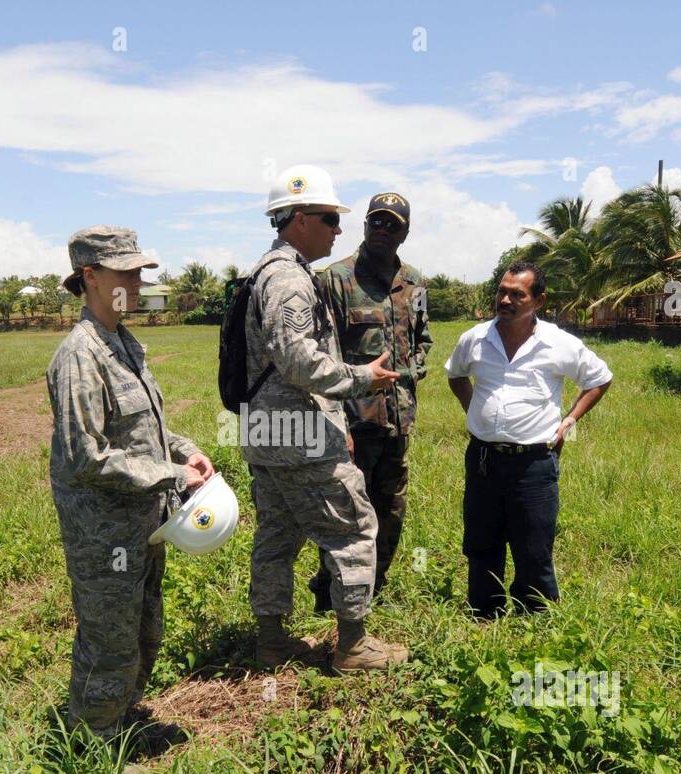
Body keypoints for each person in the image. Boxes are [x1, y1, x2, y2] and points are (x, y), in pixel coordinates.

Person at [47, 225, 214, 744]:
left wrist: (183, 450)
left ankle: (120, 718)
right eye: (127, 273)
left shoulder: (123, 342)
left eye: (140, 273)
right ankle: (92, 743)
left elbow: (144, 431)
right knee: (109, 640)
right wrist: (173, 474)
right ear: (91, 277)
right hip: (104, 535)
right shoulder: (80, 355)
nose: (138, 283)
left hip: (142, 523)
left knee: (144, 628)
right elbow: (87, 457)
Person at [241, 164, 407, 672]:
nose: (338, 229)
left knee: (277, 535)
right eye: (330, 218)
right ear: (299, 220)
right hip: (299, 433)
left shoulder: (267, 272)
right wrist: (361, 379)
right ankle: (353, 645)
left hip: (268, 430)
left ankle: (272, 641)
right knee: (354, 527)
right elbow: (298, 361)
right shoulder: (289, 280)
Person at [445, 261, 612, 619]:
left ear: (538, 301)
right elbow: (456, 375)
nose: (505, 300)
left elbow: (599, 378)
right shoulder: (474, 338)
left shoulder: (558, 343)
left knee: (534, 544)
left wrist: (570, 420)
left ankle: (534, 615)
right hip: (484, 458)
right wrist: (474, 410)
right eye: (501, 291)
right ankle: (484, 611)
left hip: (534, 462)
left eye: (516, 294)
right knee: (481, 540)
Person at [308, 191, 431, 609]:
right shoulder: (336, 279)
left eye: (392, 224)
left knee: (390, 509)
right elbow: (320, 356)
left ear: (404, 233)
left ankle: (372, 590)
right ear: (364, 226)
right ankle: (331, 596)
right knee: (345, 513)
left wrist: (413, 370)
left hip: (398, 422)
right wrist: (335, 422)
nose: (382, 229)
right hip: (353, 425)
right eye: (376, 221)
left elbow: (423, 337)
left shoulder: (414, 282)